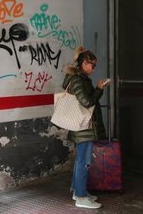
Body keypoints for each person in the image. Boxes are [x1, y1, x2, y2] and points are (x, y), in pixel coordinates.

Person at [62, 46, 109, 209]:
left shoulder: (80, 78)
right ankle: (81, 197)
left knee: (81, 161)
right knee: (84, 161)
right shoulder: (77, 80)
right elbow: (88, 102)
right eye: (92, 65)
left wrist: (97, 90)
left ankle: (78, 191)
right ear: (83, 63)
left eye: (95, 65)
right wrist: (98, 89)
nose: (93, 68)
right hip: (83, 127)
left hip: (83, 126)